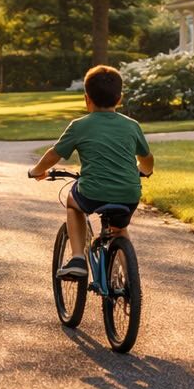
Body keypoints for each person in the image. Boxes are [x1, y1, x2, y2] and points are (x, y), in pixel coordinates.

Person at [27, 65, 154, 279]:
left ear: (87, 99)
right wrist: (145, 171)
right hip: (129, 194)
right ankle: (128, 278)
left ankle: (78, 258)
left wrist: (36, 170)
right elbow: (147, 158)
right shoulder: (132, 126)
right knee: (119, 229)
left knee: (73, 203)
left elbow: (54, 154)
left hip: (93, 192)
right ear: (119, 98)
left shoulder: (79, 125)